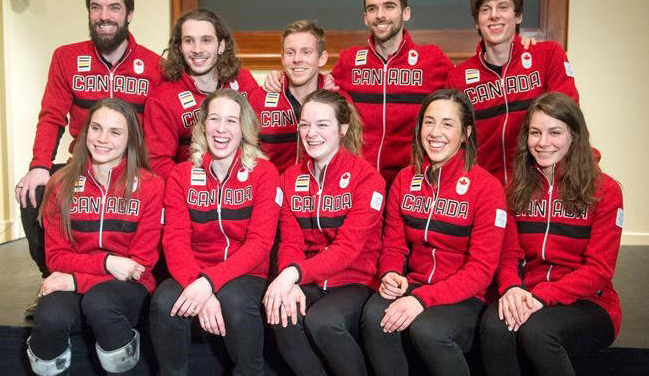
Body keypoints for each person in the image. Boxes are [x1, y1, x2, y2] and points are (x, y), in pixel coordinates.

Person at [14, 0, 163, 316]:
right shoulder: (66, 58)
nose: (104, 15)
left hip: (135, 169)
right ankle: (54, 280)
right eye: (96, 7)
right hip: (83, 165)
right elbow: (52, 115)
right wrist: (39, 166)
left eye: (114, 7)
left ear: (129, 13)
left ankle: (138, 283)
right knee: (34, 189)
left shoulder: (155, 66)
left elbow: (162, 128)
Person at [361, 89, 507, 375]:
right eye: (429, 122)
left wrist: (422, 299)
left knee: (428, 329)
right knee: (374, 315)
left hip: (467, 296)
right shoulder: (405, 179)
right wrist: (390, 273)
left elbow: (481, 269)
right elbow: (394, 244)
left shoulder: (487, 188)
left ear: (465, 134)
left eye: (447, 124)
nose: (435, 132)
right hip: (415, 283)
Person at [480, 93, 623, 376]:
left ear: (574, 135)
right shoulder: (514, 189)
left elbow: (599, 270)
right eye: (536, 132)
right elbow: (507, 254)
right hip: (528, 294)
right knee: (493, 326)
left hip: (590, 303)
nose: (543, 142)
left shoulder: (605, 191)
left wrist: (543, 296)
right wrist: (511, 288)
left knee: (537, 331)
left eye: (554, 132)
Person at [265, 0, 453, 185]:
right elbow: (316, 84)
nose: (380, 15)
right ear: (365, 18)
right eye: (372, 8)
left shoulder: (432, 60)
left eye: (389, 6)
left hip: (413, 182)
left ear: (405, 13)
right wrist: (281, 76)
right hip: (358, 183)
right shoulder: (349, 61)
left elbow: (459, 112)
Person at [26, 98, 164, 376]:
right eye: (97, 128)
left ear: (130, 139)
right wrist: (106, 264)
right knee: (50, 318)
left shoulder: (150, 185)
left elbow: (140, 265)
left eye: (115, 132)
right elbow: (55, 257)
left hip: (128, 286)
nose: (103, 139)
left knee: (99, 302)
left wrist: (76, 280)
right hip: (79, 277)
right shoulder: (61, 183)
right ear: (86, 131)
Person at [149, 89, 281, 376]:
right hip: (194, 271)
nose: (222, 129)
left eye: (231, 121)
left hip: (246, 274)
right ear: (203, 125)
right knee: (164, 301)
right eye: (215, 119)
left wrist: (209, 283)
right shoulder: (181, 175)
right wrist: (200, 285)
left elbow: (260, 244)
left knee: (233, 299)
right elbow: (174, 240)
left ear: (244, 127)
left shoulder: (264, 174)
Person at [263, 89, 385, 376]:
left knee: (323, 321)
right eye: (305, 124)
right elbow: (291, 242)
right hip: (310, 279)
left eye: (322, 125)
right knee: (282, 314)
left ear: (343, 128)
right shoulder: (290, 178)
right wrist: (289, 279)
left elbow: (347, 249)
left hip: (355, 279)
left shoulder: (368, 178)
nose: (311, 133)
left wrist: (292, 275)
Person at [447, 0, 579, 184]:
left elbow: (570, 117)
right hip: (487, 188)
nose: (494, 15)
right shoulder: (459, 76)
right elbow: (455, 140)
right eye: (485, 9)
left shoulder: (547, 56)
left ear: (518, 16)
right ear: (476, 22)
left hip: (540, 185)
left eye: (503, 7)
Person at [144, 9, 259, 179]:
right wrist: (195, 186)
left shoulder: (244, 81)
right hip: (193, 192)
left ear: (221, 45)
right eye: (189, 41)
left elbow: (261, 139)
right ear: (179, 47)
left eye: (206, 40)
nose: (197, 49)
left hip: (244, 184)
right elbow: (157, 162)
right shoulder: (163, 99)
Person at [248, 19, 333, 173]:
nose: (296, 59)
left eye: (306, 52)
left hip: (321, 193)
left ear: (322, 58)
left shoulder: (337, 100)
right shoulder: (258, 100)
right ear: (282, 58)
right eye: (290, 52)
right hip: (271, 192)